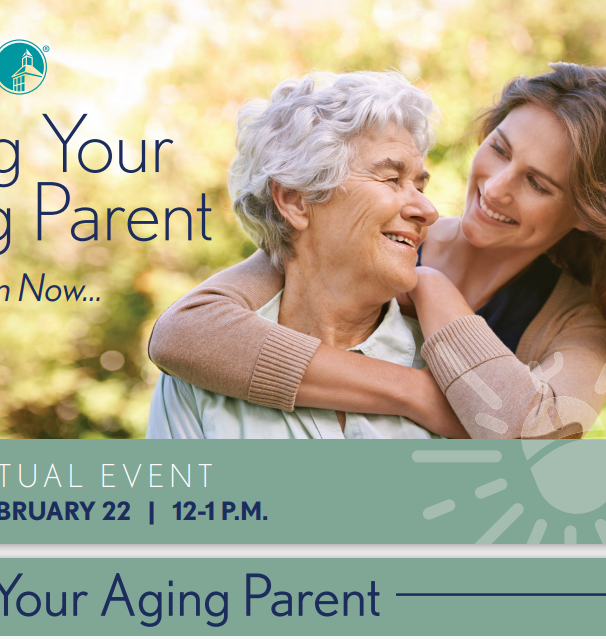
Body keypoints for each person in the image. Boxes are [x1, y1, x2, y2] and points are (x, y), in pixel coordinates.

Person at [148, 63, 606, 439]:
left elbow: (536, 438)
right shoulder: (380, 239)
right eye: (498, 149)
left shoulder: (576, 319)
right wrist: (419, 395)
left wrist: (430, 287)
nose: (496, 187)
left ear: (588, 212)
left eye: (538, 184)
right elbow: (186, 333)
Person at [147, 71, 463, 439]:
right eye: (392, 179)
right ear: (296, 201)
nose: (428, 209)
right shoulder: (198, 381)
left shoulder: (453, 378)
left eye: (421, 185)